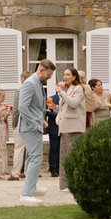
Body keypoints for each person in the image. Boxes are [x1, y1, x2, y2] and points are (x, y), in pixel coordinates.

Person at [16, 65, 49, 202]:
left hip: (33, 126)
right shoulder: (30, 83)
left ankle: (32, 187)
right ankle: (26, 194)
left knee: (32, 158)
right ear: (41, 70)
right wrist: (34, 124)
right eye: (48, 75)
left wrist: (40, 120)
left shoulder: (37, 83)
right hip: (30, 128)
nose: (49, 78)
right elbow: (22, 107)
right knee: (36, 158)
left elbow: (35, 107)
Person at [54, 66, 86, 191]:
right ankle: (65, 184)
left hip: (74, 127)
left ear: (74, 77)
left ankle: (74, 183)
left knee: (72, 156)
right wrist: (55, 109)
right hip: (65, 127)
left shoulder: (78, 88)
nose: (65, 76)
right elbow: (65, 108)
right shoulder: (68, 89)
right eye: (64, 74)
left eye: (68, 74)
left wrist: (61, 92)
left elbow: (73, 103)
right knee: (64, 156)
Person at [37, 59, 61, 177]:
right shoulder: (52, 98)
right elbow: (46, 112)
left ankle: (61, 168)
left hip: (64, 127)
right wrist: (58, 116)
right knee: (54, 148)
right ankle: (53, 169)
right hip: (53, 127)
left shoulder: (67, 98)